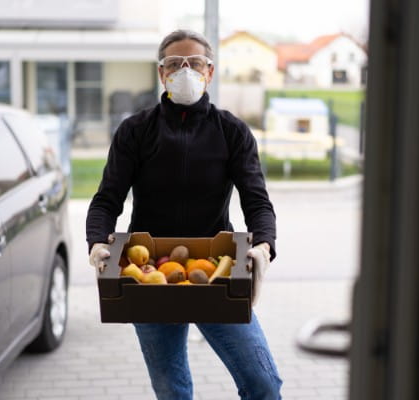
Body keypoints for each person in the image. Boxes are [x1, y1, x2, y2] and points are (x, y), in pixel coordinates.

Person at [86, 29, 282, 400]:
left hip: (217, 269)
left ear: (209, 72)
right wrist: (97, 242)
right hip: (148, 275)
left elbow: (257, 202)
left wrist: (263, 248)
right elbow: (106, 199)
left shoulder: (232, 132)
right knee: (172, 391)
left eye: (194, 63)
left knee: (263, 384)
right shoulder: (135, 131)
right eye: (175, 64)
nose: (185, 70)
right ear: (161, 74)